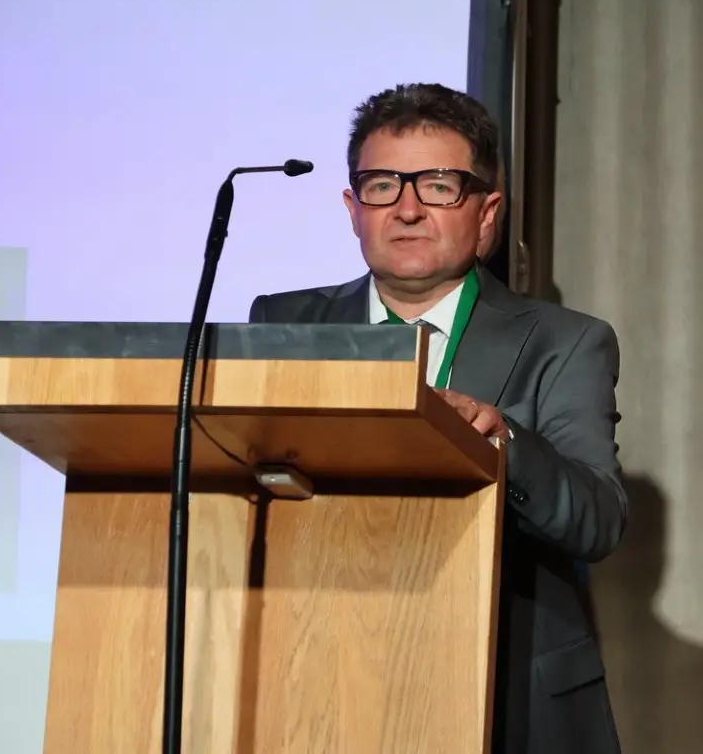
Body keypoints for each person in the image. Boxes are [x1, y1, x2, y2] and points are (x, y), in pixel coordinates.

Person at [249, 82, 627, 754]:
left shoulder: (565, 342)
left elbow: (596, 519)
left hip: (503, 691)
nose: (407, 209)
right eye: (382, 186)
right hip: (316, 674)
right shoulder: (284, 324)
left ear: (486, 215)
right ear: (353, 210)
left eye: (439, 187)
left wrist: (502, 440)